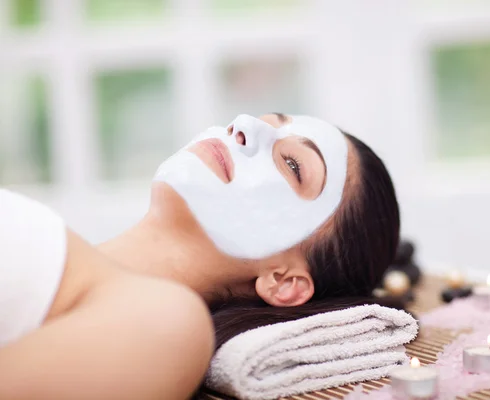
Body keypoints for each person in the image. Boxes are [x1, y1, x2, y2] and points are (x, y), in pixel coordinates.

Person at [0, 113, 400, 399]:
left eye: (293, 164)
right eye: (267, 118)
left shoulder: (169, 327)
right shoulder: (62, 252)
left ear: (283, 281)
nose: (244, 124)